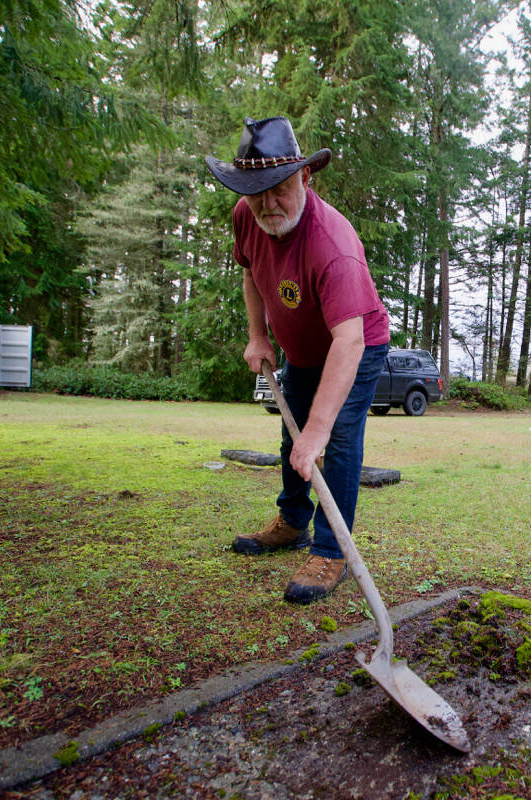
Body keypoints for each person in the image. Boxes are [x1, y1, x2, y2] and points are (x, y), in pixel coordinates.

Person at [205, 116, 390, 604]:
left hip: (356, 346)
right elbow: (250, 272)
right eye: (255, 192)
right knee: (293, 432)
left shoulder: (334, 248)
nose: (268, 205)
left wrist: (320, 428)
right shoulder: (248, 216)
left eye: (280, 189)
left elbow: (348, 342)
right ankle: (292, 522)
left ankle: (333, 551)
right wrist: (257, 335)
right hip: (301, 348)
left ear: (305, 178)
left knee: (336, 438)